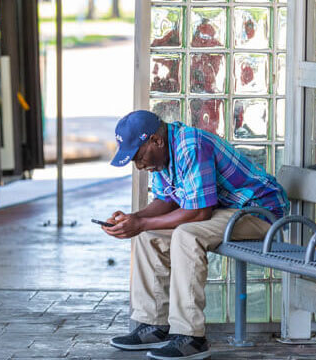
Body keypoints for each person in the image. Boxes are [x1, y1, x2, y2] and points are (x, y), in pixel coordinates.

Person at [104, 110, 288, 360]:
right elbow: (166, 201)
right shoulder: (162, 155)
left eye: (138, 156)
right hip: (226, 210)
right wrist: (134, 220)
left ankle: (191, 337)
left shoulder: (191, 145)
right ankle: (154, 325)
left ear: (155, 141)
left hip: (260, 212)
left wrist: (142, 221)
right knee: (148, 235)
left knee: (187, 234)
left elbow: (199, 213)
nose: (138, 165)